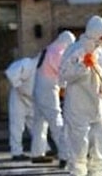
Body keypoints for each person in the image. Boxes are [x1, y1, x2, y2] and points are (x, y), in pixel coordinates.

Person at [60, 16, 102, 176]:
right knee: (79, 141)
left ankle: (97, 175)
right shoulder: (75, 50)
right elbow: (63, 75)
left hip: (95, 104)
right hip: (77, 104)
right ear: (94, 34)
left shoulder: (100, 54)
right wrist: (83, 67)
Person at [30, 31, 76, 166]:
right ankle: (65, 155)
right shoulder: (57, 52)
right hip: (48, 89)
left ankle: (37, 153)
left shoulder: (48, 49)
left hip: (38, 87)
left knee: (39, 123)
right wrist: (65, 87)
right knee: (56, 121)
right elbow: (61, 72)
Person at [4, 56, 39, 161]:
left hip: (32, 100)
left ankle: (42, 149)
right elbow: (10, 72)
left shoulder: (45, 70)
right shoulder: (28, 63)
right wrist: (18, 86)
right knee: (17, 126)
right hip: (18, 98)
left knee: (36, 125)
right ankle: (16, 152)